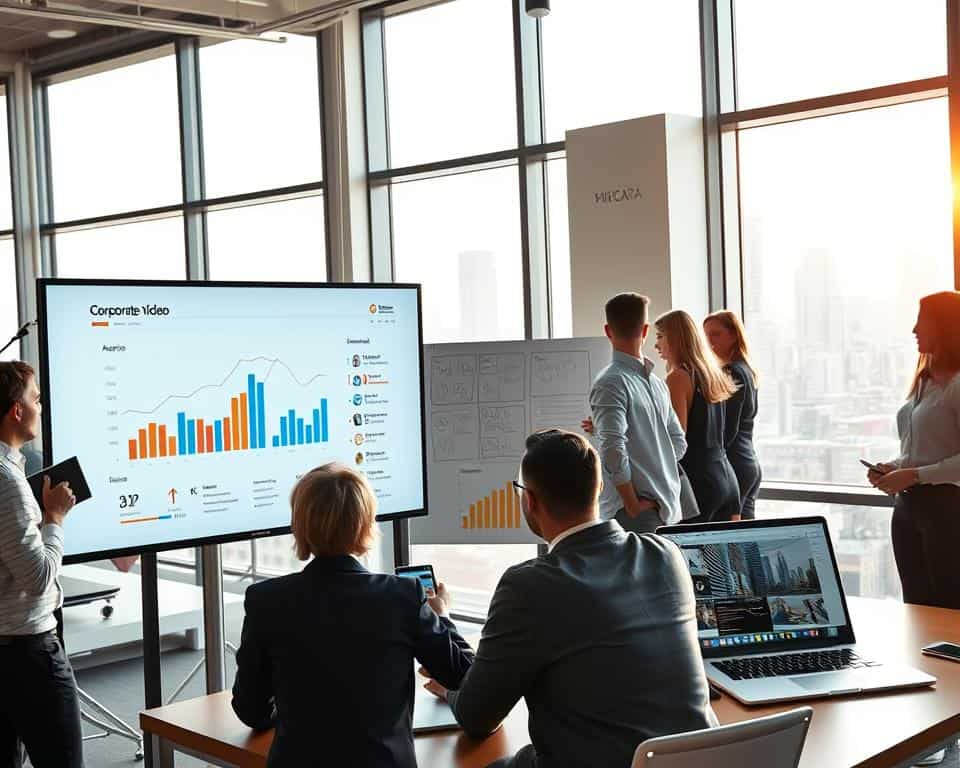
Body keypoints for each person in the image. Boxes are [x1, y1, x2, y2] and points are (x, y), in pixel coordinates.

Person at [422, 429, 717, 768]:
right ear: (600, 487)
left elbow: (478, 718)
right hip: (692, 759)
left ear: (530, 501)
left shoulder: (529, 586)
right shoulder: (665, 554)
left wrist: (450, 683)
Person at [231, 463, 474, 768]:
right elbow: (466, 677)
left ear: (299, 526)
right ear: (366, 525)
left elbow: (250, 710)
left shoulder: (266, 600)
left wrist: (297, 714)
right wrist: (443, 616)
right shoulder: (402, 597)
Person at [0, 360, 81, 768]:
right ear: (17, 410)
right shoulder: (7, 482)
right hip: (28, 654)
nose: (41, 407)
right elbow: (38, 577)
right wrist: (54, 517)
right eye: (36, 398)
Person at [868, 291, 960, 610]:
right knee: (916, 608)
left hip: (946, 509)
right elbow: (923, 448)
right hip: (908, 508)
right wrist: (895, 468)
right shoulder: (925, 382)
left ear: (945, 326)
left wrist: (914, 474)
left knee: (949, 608)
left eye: (922, 320)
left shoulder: (958, 385)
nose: (914, 329)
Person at [585, 292, 690, 534]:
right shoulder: (657, 383)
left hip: (631, 511)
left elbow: (613, 449)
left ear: (608, 331)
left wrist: (632, 505)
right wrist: (654, 467)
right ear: (644, 331)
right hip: (664, 507)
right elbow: (678, 443)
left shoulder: (609, 382)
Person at [655, 310, 740, 523]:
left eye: (660, 336)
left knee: (686, 546)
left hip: (697, 484)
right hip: (726, 477)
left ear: (675, 338)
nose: (656, 345)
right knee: (726, 546)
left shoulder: (678, 378)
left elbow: (676, 439)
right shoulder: (713, 374)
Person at [703, 310, 761, 520]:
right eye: (706, 335)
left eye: (716, 334)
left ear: (734, 336)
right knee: (745, 534)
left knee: (726, 536)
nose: (709, 341)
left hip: (734, 463)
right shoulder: (746, 370)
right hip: (748, 461)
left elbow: (728, 428)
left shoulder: (731, 372)